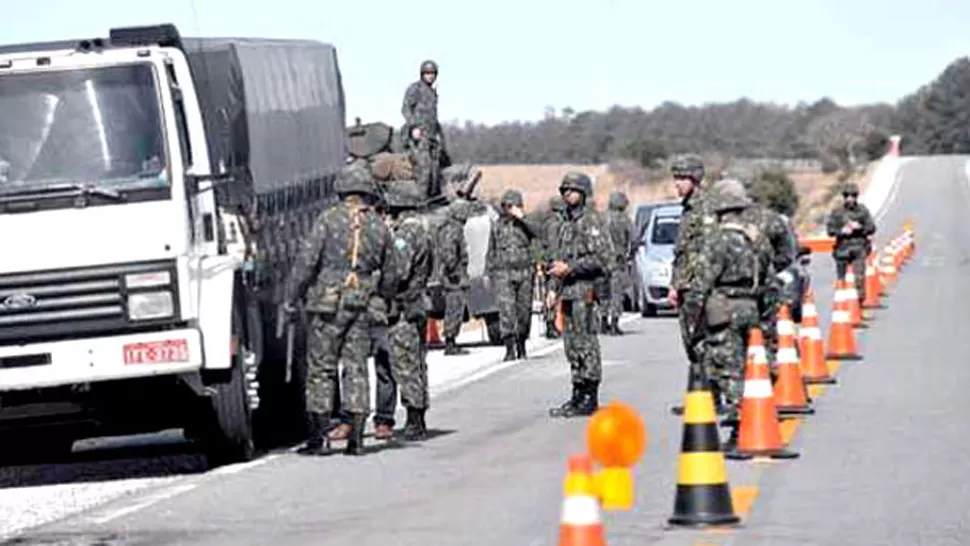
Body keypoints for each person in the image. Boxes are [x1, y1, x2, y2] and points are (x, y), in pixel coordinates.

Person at [284, 163, 398, 456]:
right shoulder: (378, 225)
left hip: (328, 307)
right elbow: (391, 272)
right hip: (362, 306)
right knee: (356, 367)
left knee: (321, 368)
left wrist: (290, 298)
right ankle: (357, 439)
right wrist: (383, 298)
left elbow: (306, 262)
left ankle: (318, 437)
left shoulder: (327, 220)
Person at [687, 179, 772, 448]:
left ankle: (739, 429)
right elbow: (770, 278)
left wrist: (693, 323)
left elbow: (701, 283)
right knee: (752, 367)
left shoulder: (717, 241)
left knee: (729, 370)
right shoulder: (756, 239)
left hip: (724, 308)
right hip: (751, 307)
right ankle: (758, 418)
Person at [545, 172, 613, 418]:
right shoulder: (566, 224)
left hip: (585, 291)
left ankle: (590, 394)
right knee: (571, 345)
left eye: (571, 190)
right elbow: (559, 260)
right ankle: (577, 391)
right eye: (564, 190)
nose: (567, 194)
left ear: (583, 193)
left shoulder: (591, 221)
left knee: (586, 343)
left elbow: (603, 259)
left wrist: (571, 269)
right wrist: (553, 288)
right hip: (568, 292)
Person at [668, 154, 720, 407]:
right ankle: (705, 394)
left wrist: (695, 284)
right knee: (692, 343)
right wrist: (675, 285)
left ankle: (710, 395)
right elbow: (683, 252)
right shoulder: (688, 209)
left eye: (682, 178)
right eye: (676, 178)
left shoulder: (705, 207)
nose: (677, 183)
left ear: (695, 179)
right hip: (686, 286)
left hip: (700, 287)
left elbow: (707, 251)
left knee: (701, 342)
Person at [486, 189, 539, 361]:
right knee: (506, 310)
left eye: (512, 206)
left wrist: (522, 217)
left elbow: (539, 233)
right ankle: (509, 347)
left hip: (524, 271)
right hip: (503, 272)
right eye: (506, 206)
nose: (508, 209)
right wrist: (488, 273)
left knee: (524, 310)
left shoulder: (527, 223)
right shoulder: (497, 225)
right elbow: (491, 250)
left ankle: (522, 344)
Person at [401, 60, 450, 198]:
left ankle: (431, 200)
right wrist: (414, 127)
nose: (430, 76)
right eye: (427, 73)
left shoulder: (432, 93)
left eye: (433, 73)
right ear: (422, 74)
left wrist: (439, 134)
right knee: (424, 168)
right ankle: (420, 201)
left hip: (432, 137)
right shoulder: (415, 89)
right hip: (419, 136)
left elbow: (433, 117)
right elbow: (405, 109)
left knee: (435, 170)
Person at [826, 182, 876, 303]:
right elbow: (830, 230)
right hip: (842, 249)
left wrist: (860, 228)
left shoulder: (862, 211)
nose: (850, 198)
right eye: (847, 195)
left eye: (853, 195)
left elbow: (872, 228)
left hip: (858, 248)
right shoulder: (837, 212)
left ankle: (858, 303)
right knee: (841, 280)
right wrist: (841, 231)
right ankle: (842, 305)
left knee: (859, 278)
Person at [433, 200, 471, 355]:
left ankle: (451, 340)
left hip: (453, 274)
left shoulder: (450, 227)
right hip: (453, 277)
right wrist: (454, 271)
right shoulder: (452, 229)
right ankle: (450, 341)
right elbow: (449, 252)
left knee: (456, 308)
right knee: (454, 308)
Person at [601, 191, 635, 335]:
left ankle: (603, 322)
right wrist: (630, 254)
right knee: (616, 293)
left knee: (603, 292)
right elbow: (634, 239)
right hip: (617, 260)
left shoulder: (601, 219)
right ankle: (614, 323)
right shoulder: (624, 220)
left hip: (601, 261)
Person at [541, 195, 566, 338]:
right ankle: (550, 325)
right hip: (553, 262)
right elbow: (553, 245)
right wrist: (556, 261)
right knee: (552, 293)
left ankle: (553, 323)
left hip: (551, 261)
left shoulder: (550, 222)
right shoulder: (554, 224)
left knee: (553, 293)